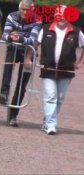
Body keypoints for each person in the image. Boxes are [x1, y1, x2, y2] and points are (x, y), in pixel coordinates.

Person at [28, 5, 84, 135]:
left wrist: (80, 62)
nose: (62, 18)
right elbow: (35, 44)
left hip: (67, 70)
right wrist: (28, 58)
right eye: (59, 14)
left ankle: (47, 121)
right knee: (51, 96)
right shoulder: (46, 28)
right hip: (48, 68)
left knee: (59, 98)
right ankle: (51, 124)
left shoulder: (76, 31)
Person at [0, 0, 42, 127]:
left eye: (28, 10)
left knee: (22, 84)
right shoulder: (12, 16)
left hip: (29, 52)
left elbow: (33, 39)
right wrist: (11, 37)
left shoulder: (37, 20)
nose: (25, 12)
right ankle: (4, 93)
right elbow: (4, 35)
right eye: (23, 9)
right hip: (14, 48)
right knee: (8, 65)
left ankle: (13, 115)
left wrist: (20, 38)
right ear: (19, 8)